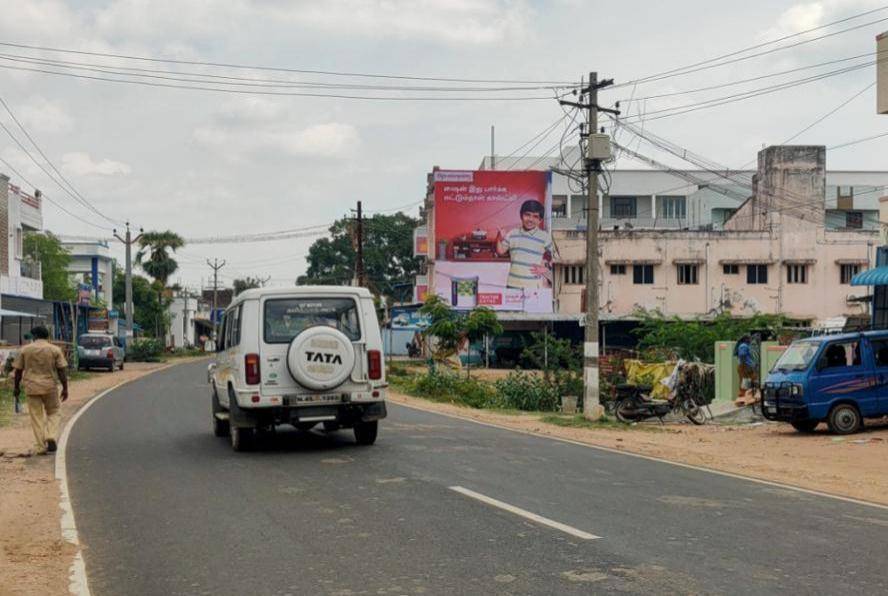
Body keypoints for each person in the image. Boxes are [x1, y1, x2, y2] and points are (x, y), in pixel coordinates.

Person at [12, 326, 69, 455]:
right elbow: (61, 370)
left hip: (31, 387)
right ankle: (51, 435)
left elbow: (18, 371)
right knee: (54, 412)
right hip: (50, 386)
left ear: (35, 336)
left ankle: (40, 446)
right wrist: (65, 388)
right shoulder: (55, 349)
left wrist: (16, 388)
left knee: (36, 417)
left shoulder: (25, 350)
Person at [495, 199, 554, 289]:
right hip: (512, 284)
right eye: (527, 215)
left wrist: (546, 269)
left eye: (535, 216)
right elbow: (500, 251)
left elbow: (558, 256)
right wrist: (498, 238)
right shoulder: (512, 233)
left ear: (540, 220)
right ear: (521, 216)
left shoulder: (544, 237)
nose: (530, 219)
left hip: (533, 286)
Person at [735, 335, 757, 405]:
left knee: (747, 382)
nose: (750, 340)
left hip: (745, 366)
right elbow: (742, 355)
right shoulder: (744, 346)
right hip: (745, 366)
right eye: (749, 339)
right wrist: (745, 366)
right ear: (746, 340)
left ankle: (746, 399)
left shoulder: (744, 345)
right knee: (745, 382)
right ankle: (741, 400)